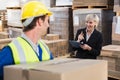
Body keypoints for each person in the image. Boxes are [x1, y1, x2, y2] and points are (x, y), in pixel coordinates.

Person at [0, 1, 53, 80]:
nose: (48, 25)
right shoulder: (10, 51)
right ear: (40, 22)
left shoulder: (44, 48)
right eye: (47, 20)